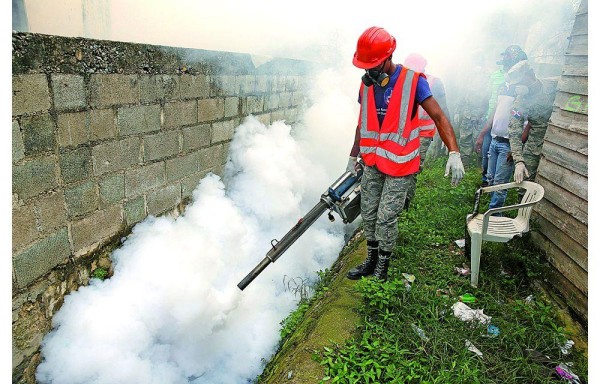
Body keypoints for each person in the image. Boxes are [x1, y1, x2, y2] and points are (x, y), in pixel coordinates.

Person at [345, 26, 464, 282]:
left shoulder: (413, 81)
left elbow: (438, 116)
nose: (369, 72)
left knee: (386, 217)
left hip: (401, 165)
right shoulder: (366, 86)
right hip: (374, 161)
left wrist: (454, 152)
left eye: (373, 65)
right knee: (368, 212)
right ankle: (371, 258)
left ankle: (382, 267)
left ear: (388, 58)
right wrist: (353, 156)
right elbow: (362, 122)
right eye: (365, 67)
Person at [482, 45, 529, 211]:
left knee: (501, 184)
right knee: (492, 178)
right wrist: (484, 133)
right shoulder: (504, 85)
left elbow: (526, 123)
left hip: (509, 144)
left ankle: (494, 215)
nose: (505, 68)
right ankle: (490, 209)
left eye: (508, 64)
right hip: (495, 139)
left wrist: (516, 148)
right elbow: (496, 109)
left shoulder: (524, 89)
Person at [506, 62, 553, 186]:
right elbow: (514, 131)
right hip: (534, 147)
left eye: (521, 81)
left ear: (531, 74)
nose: (519, 87)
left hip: (558, 146)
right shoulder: (520, 101)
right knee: (525, 185)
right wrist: (519, 161)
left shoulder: (552, 88)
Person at [402, 53, 452, 168]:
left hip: (423, 133)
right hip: (403, 132)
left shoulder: (434, 82)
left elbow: (442, 109)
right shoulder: (402, 82)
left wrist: (447, 136)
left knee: (414, 167)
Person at [475, 64, 506, 186]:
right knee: (486, 152)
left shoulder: (514, 85)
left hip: (501, 125)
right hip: (490, 119)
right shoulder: (495, 77)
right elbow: (487, 97)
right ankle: (485, 181)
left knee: (494, 154)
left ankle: (493, 183)